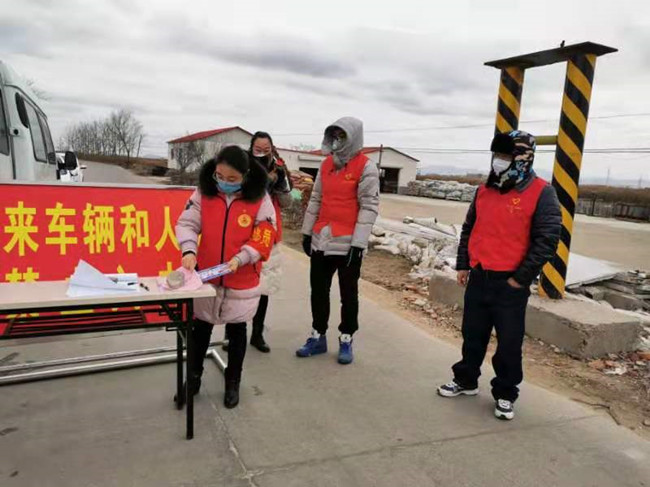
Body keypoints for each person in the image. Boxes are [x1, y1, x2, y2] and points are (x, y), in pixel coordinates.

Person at [437, 130, 561, 421]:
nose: (498, 161)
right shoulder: (485, 190)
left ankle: (505, 392)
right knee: (472, 334)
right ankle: (466, 379)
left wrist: (520, 278)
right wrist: (464, 264)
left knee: (508, 343)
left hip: (510, 283)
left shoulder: (542, 192)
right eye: (496, 155)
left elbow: (547, 241)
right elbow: (469, 228)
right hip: (480, 276)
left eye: (505, 155)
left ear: (523, 158)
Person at [175, 145, 276, 409]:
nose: (224, 183)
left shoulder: (259, 198)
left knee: (237, 331)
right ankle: (193, 379)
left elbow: (265, 234)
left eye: (232, 179)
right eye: (220, 176)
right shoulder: (204, 191)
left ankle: (233, 382)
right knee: (200, 329)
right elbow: (187, 223)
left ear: (246, 175)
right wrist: (189, 249)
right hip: (207, 275)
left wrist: (242, 258)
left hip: (241, 275)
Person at [297, 117, 380, 365]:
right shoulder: (326, 165)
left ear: (354, 137)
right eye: (335, 136)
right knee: (318, 291)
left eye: (342, 136)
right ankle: (318, 336)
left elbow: (369, 207)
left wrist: (358, 244)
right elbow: (316, 199)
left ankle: (346, 337)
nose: (337, 141)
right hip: (322, 239)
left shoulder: (366, 167)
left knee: (348, 295)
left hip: (348, 243)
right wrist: (307, 232)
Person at [247, 131, 292, 353]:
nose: (262, 153)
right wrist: (264, 181)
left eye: (266, 150)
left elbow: (287, 202)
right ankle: (231, 333)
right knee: (236, 286)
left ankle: (257, 333)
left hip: (269, 234)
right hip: (244, 231)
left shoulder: (279, 166)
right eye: (258, 149)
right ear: (251, 148)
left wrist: (281, 183)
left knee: (264, 286)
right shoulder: (243, 165)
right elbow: (244, 194)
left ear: (272, 148)